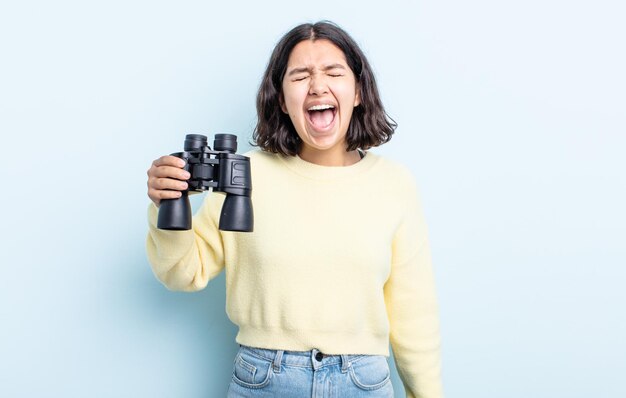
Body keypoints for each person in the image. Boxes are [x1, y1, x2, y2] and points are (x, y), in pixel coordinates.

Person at [146, 21, 443, 398]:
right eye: (300, 76)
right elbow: (182, 274)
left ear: (357, 92)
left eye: (334, 72)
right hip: (264, 378)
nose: (318, 85)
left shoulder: (394, 184)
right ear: (282, 100)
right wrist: (167, 206)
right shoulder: (246, 173)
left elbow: (414, 312)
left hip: (363, 381)